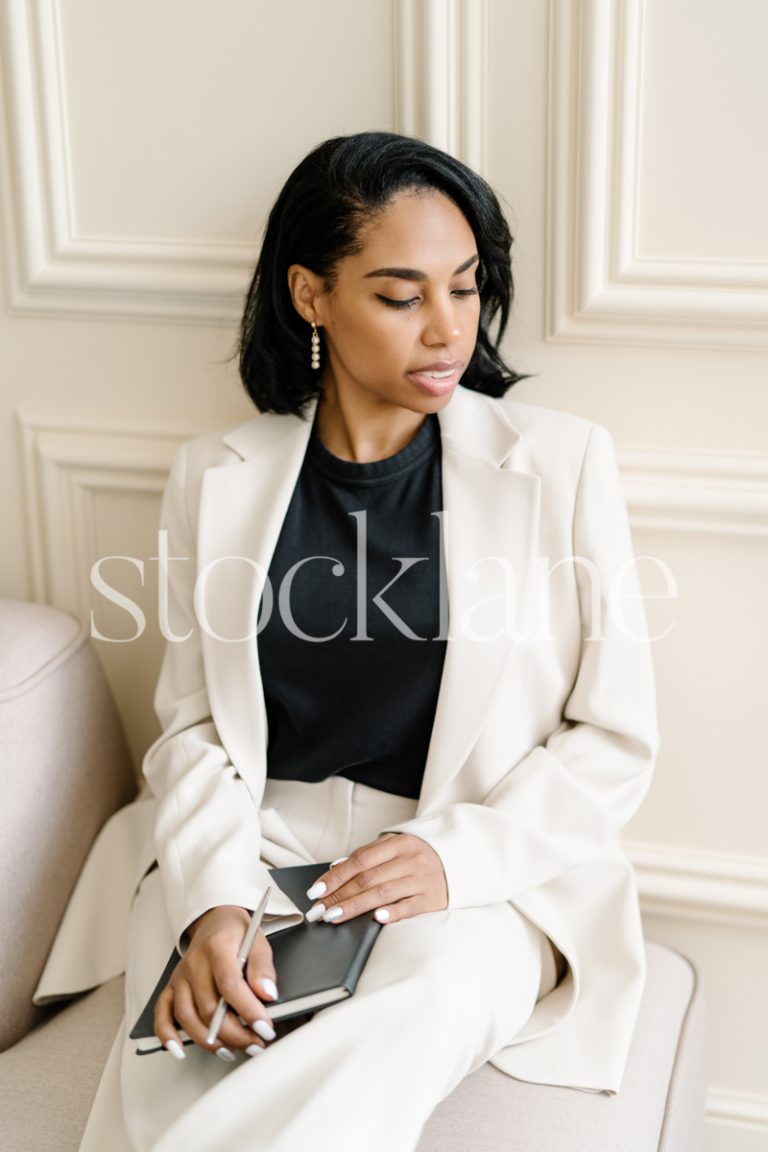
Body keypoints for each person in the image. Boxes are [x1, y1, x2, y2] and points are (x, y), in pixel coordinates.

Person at [39, 131, 658, 1152]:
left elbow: (616, 739)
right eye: (401, 295)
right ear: (310, 294)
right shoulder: (217, 473)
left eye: (465, 288)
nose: (447, 331)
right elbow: (193, 728)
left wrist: (449, 857)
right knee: (194, 1040)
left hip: (466, 865)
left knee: (417, 1015)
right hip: (251, 844)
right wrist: (211, 904)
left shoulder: (561, 466)